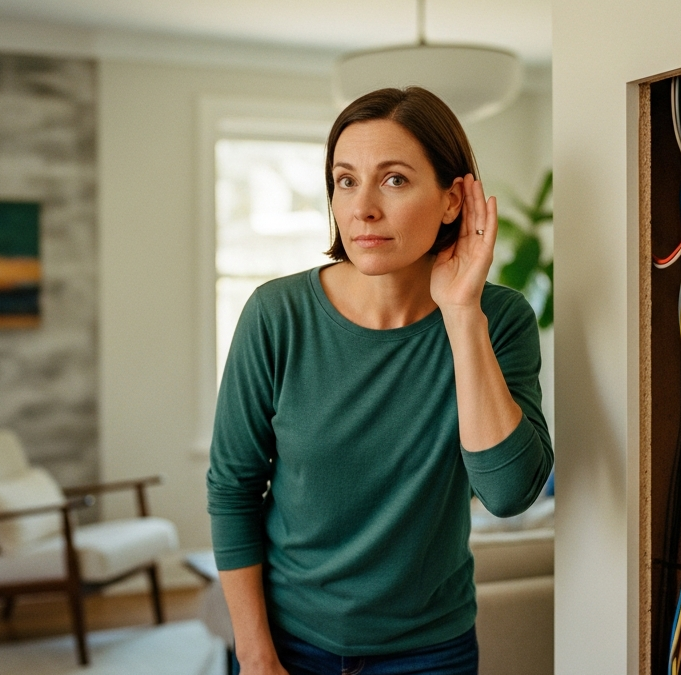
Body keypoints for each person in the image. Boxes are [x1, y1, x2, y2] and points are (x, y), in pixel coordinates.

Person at [207, 86, 553, 675]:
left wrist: (462, 314)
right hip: (290, 644)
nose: (363, 206)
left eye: (393, 179)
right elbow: (233, 490)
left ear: (452, 201)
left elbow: (508, 493)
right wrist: (257, 654)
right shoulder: (276, 314)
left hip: (431, 652)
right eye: (346, 180)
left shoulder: (499, 319)